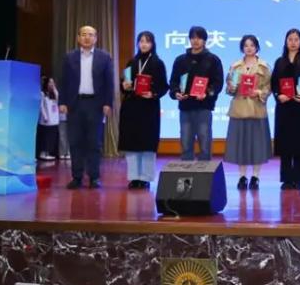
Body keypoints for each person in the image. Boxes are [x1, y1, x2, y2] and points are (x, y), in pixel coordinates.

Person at [58, 25, 114, 189]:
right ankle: (76, 177)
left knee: (94, 143)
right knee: (75, 141)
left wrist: (108, 103)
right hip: (75, 104)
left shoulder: (104, 57)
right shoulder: (70, 57)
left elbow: (109, 83)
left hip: (96, 104)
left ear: (96, 38)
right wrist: (62, 102)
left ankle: (94, 177)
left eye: (90, 35)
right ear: (78, 38)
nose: (87, 37)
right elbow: (63, 81)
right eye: (83, 34)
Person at [118, 31, 169, 189]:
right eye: (141, 41)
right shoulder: (132, 62)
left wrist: (153, 93)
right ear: (137, 44)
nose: (144, 44)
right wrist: (124, 86)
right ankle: (134, 177)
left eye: (147, 41)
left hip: (149, 108)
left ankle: (145, 178)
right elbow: (124, 84)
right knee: (132, 143)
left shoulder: (158, 63)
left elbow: (164, 86)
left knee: (147, 144)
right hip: (131, 107)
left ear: (152, 44)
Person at [168, 26, 224, 161]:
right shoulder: (180, 60)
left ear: (205, 40)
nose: (195, 41)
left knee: (204, 140)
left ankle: (205, 171)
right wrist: (176, 93)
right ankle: (187, 169)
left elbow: (218, 83)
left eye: (199, 38)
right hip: (185, 106)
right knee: (185, 140)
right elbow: (173, 82)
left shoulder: (213, 60)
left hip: (204, 106)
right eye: (193, 38)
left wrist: (207, 93)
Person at [224, 35, 271, 191]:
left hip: (257, 109)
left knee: (257, 145)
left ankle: (255, 177)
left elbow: (269, 87)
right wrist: (231, 88)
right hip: (239, 109)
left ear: (257, 47)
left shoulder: (264, 67)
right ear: (242, 48)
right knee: (241, 144)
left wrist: (259, 92)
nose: (249, 48)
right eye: (246, 45)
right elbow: (229, 88)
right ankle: (242, 177)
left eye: (252, 45)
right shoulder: (235, 66)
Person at [271, 28, 300, 190]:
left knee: (299, 145)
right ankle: (286, 178)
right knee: (285, 144)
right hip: (284, 107)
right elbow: (274, 83)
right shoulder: (279, 61)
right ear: (285, 42)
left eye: (296, 39)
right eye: (290, 39)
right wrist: (278, 95)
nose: (293, 42)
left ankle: (298, 178)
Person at [37, 76, 60, 161]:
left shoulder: (54, 93)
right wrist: (45, 116)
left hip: (54, 119)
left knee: (51, 137)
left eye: (53, 82)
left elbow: (58, 99)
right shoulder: (42, 93)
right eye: (50, 82)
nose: (52, 84)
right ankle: (43, 153)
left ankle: (49, 152)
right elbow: (41, 106)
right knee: (45, 137)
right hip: (46, 119)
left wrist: (54, 89)